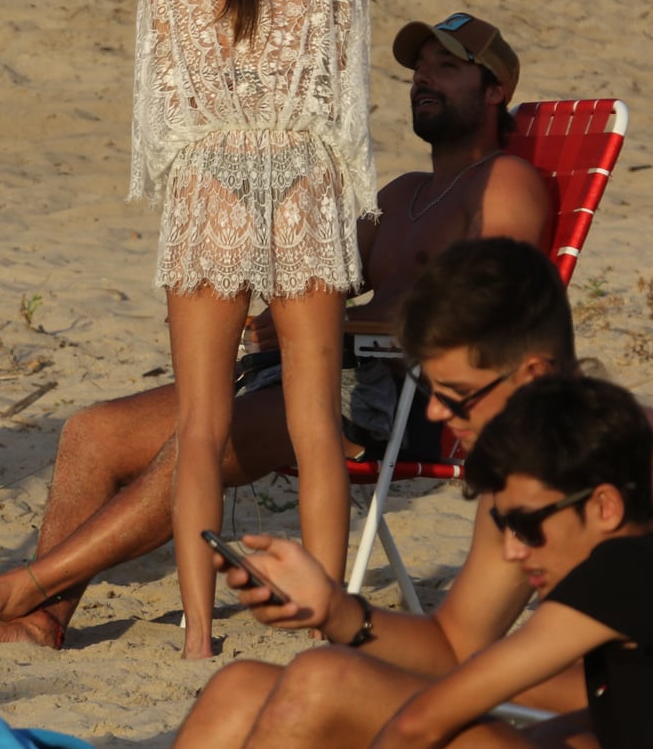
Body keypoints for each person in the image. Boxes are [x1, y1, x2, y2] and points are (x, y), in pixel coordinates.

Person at [0, 10, 547, 651]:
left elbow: (489, 308)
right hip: (320, 372)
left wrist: (338, 326)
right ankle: (41, 622)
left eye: (446, 66)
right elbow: (320, 278)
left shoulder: (507, 184)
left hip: (401, 397)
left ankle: (20, 589)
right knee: (94, 433)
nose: (422, 79)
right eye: (418, 68)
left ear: (495, 90)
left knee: (193, 449)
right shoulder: (405, 191)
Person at [132, 0, 381, 656]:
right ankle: (320, 626)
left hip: (208, 186)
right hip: (305, 184)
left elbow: (159, 107)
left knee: (201, 425)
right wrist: (342, 189)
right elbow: (347, 110)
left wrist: (198, 161)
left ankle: (198, 635)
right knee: (316, 423)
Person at [170, 237, 602, 749]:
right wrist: (336, 610)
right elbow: (456, 644)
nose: (437, 414)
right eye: (432, 392)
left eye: (457, 397)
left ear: (535, 374)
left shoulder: (620, 471)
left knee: (328, 679)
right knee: (238, 688)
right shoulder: (521, 472)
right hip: (543, 718)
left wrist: (452, 698)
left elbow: (612, 689)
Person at [367, 376, 652, 749]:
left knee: (332, 678)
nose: (513, 551)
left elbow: (416, 724)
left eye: (526, 525)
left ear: (605, 507)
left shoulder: (620, 567)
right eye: (504, 526)